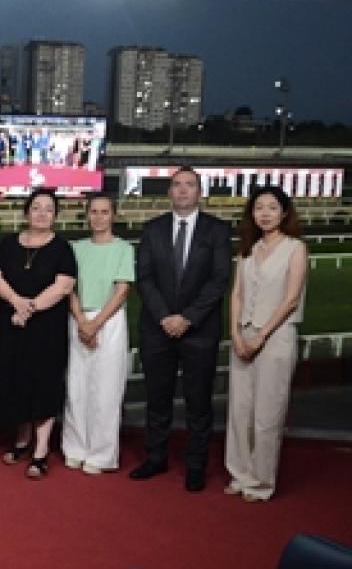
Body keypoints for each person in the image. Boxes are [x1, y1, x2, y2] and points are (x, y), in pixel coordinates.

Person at [132, 166, 232, 493]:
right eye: (177, 184)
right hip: (157, 328)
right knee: (157, 398)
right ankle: (156, 456)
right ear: (169, 192)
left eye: (190, 184)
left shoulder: (217, 230)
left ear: (199, 191)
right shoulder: (152, 229)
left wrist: (187, 318)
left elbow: (219, 280)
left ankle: (196, 464)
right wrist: (165, 317)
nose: (183, 190)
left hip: (199, 331)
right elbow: (144, 278)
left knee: (198, 401)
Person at [225, 186, 308, 502]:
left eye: (272, 207)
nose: (265, 213)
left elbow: (291, 299)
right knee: (240, 411)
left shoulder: (295, 248)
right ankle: (239, 473)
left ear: (284, 213)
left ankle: (260, 482)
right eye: (259, 207)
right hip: (243, 335)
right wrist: (235, 333)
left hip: (276, 337)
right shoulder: (248, 250)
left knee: (266, 414)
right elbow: (237, 294)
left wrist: (261, 335)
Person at [0, 188, 77, 480]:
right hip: (10, 323)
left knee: (43, 383)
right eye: (36, 207)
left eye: (48, 209)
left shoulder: (62, 248)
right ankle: (22, 439)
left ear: (55, 216)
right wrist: (16, 301)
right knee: (16, 380)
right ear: (26, 212)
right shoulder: (8, 244)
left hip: (45, 328)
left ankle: (40, 451)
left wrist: (29, 308)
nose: (41, 214)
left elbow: (63, 286)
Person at [63, 193, 134, 474]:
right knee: (77, 388)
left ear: (113, 215)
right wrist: (82, 321)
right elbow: (69, 288)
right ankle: (75, 447)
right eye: (94, 211)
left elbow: (122, 290)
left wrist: (95, 324)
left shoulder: (124, 248)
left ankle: (102, 454)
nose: (99, 217)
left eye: (104, 212)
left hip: (110, 320)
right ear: (87, 215)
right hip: (78, 318)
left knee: (106, 390)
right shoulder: (76, 248)